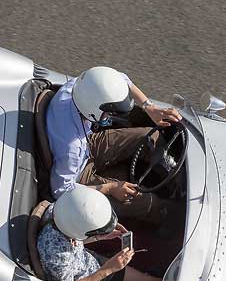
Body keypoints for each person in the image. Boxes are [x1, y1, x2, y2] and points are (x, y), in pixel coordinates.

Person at [46, 66, 182, 224]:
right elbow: (61, 191)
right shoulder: (70, 149)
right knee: (146, 202)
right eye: (109, 113)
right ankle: (165, 213)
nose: (112, 116)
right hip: (78, 174)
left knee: (150, 136)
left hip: (87, 144)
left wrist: (149, 107)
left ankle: (172, 175)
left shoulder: (77, 88)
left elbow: (122, 78)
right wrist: (111, 188)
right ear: (93, 111)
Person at [37, 185, 161, 281]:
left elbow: (74, 237)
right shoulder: (57, 259)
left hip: (88, 261)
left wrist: (101, 236)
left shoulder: (62, 209)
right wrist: (108, 269)